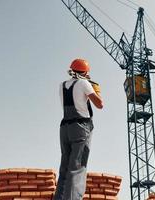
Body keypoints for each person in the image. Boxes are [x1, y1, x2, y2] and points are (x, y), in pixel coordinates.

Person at [54, 58, 103, 200]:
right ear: (85, 72)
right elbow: (100, 104)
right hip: (80, 128)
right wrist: (95, 91)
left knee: (65, 167)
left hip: (64, 128)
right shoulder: (84, 83)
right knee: (77, 167)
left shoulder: (62, 85)